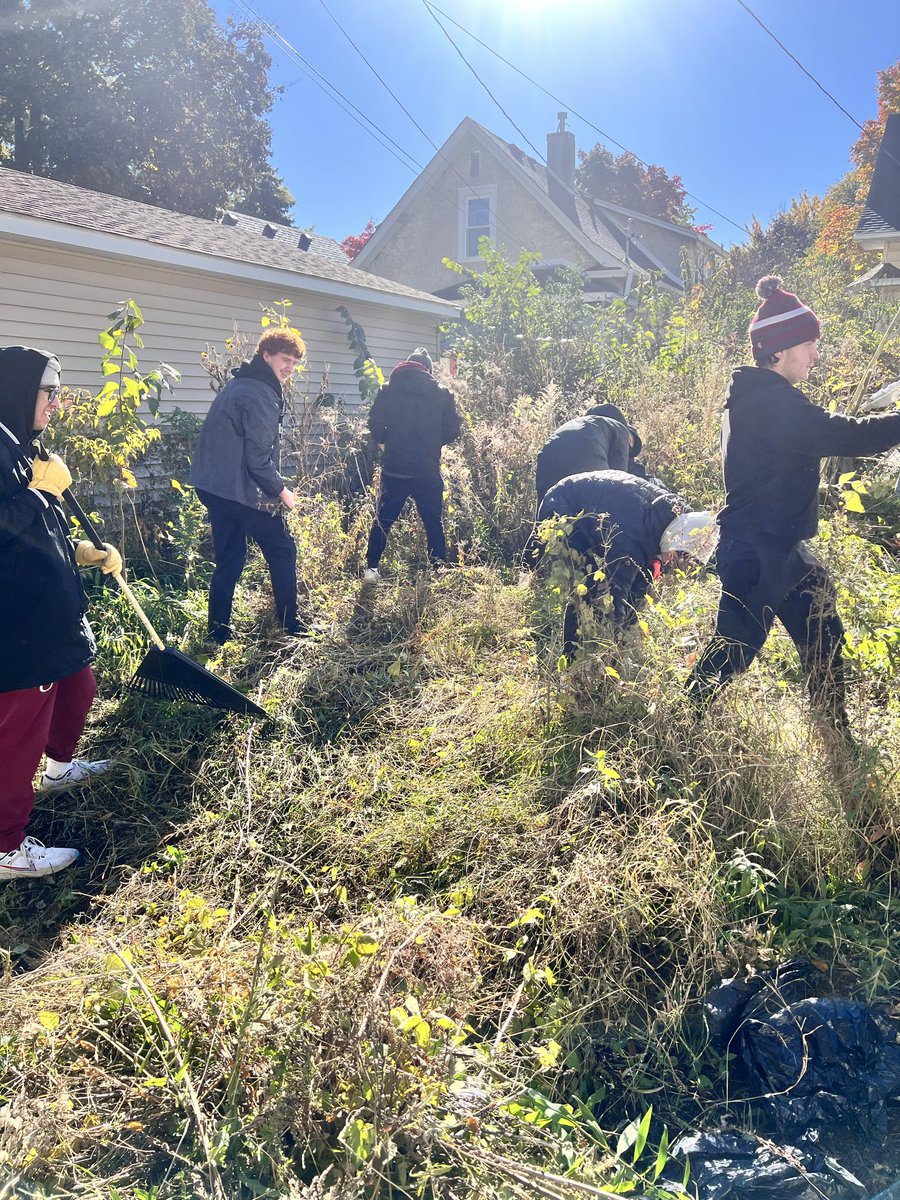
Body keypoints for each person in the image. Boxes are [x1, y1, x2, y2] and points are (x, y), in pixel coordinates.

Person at [686, 276, 900, 733]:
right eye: (809, 344)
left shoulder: (756, 397)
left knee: (824, 634)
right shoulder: (768, 402)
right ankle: (680, 725)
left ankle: (835, 735)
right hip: (758, 551)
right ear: (778, 350)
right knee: (733, 649)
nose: (815, 354)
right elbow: (844, 434)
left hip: (779, 547)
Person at [0, 346, 120, 879]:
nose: (55, 403)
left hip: (53, 614)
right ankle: (6, 847)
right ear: (20, 390)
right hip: (20, 624)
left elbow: (32, 535)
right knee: (18, 733)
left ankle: (59, 769)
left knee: (81, 686)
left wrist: (81, 552)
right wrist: (40, 493)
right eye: (49, 392)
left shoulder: (22, 447)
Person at [522, 469, 716, 657]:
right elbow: (616, 592)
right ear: (675, 540)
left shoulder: (669, 520)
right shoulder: (635, 535)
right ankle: (572, 657)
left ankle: (590, 649)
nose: (674, 563)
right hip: (564, 505)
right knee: (584, 586)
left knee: (612, 587)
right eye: (679, 556)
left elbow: (639, 585)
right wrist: (613, 646)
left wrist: (629, 630)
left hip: (589, 503)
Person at [191, 328, 306, 643]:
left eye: (295, 363)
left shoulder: (239, 384)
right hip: (237, 490)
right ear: (266, 355)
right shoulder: (260, 392)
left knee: (230, 558)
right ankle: (290, 626)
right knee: (282, 549)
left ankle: (217, 634)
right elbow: (258, 460)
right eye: (285, 360)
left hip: (214, 487)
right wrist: (283, 493)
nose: (289, 369)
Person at [363, 348, 461, 582]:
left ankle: (371, 572)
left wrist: (388, 440)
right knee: (433, 522)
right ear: (427, 369)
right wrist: (433, 443)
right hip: (427, 470)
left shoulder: (388, 391)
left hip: (394, 469)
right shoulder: (442, 393)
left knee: (382, 521)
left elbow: (375, 426)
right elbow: (453, 431)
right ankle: (438, 572)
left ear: (406, 366)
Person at [534, 403, 632, 503]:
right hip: (588, 456)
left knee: (548, 508)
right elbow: (620, 481)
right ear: (630, 438)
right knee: (598, 507)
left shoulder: (575, 424)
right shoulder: (620, 429)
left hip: (547, 457)